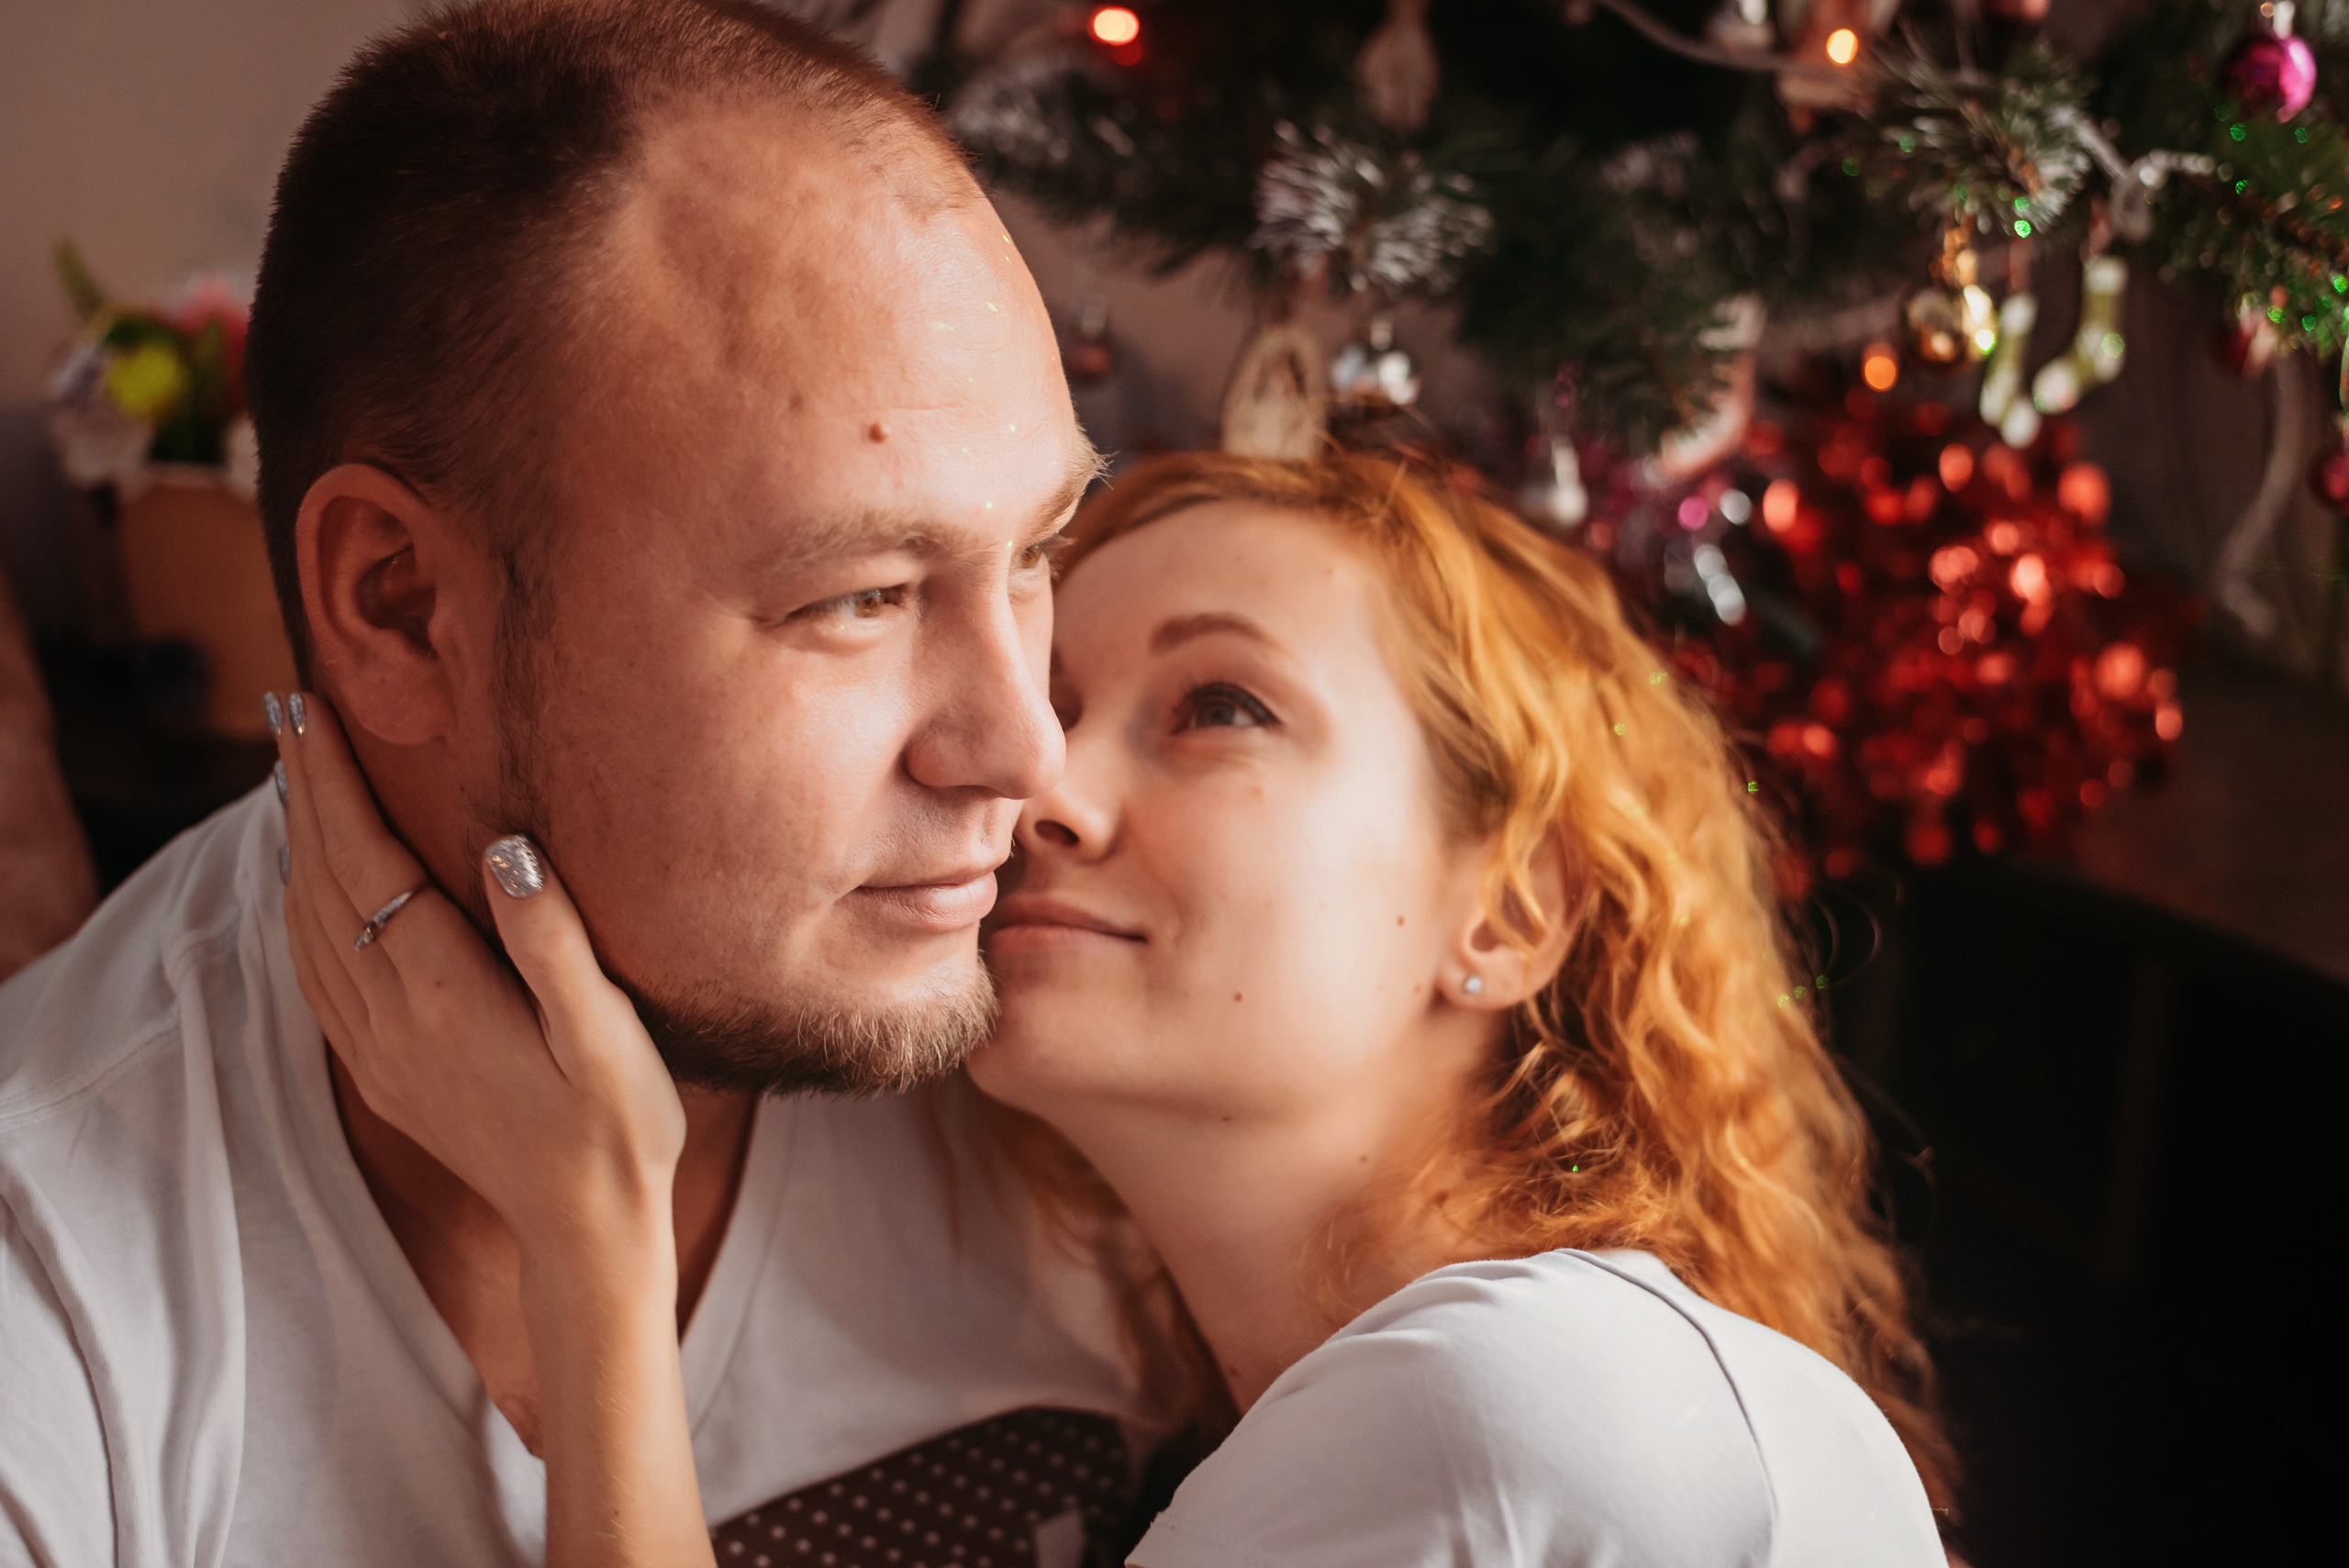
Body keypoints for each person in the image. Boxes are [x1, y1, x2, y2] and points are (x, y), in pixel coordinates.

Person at [277, 450, 1956, 1567]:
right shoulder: (1337, 1430)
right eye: (1055, 699)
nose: (1038, 784)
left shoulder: (1516, 1411)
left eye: (1219, 706)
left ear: (1509, 909)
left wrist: (590, 1234)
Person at [0, 4, 1156, 1564]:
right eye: (859, 597)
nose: (1028, 755)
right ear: (401, 606)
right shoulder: (49, 1305)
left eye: (1034, 556)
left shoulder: (1101, 1012)